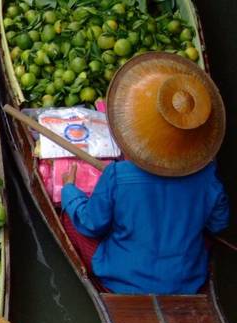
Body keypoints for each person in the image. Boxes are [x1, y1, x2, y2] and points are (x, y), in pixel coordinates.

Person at [60, 52, 229, 295]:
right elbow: (218, 225)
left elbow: (91, 225)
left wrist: (69, 190)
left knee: (70, 217)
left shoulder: (118, 175)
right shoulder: (209, 179)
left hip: (122, 279)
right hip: (188, 280)